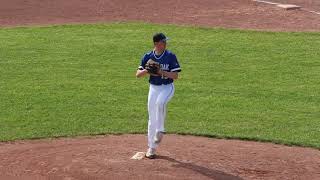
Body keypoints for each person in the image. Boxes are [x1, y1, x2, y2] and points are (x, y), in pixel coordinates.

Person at [136, 33, 181, 159]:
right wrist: (147, 70)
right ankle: (151, 147)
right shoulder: (148, 56)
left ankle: (160, 130)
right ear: (156, 44)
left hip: (167, 87)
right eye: (163, 41)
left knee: (160, 103)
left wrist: (161, 72)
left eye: (165, 41)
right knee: (151, 119)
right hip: (153, 88)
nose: (165, 43)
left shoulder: (170, 56)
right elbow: (137, 74)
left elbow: (176, 76)